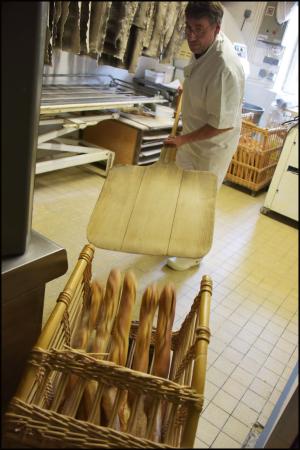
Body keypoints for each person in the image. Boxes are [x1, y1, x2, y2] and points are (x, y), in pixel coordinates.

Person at [164, 1, 245, 271]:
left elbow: (223, 124)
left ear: (217, 28)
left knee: (201, 200)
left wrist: (183, 140)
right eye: (188, 28)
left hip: (213, 146)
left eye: (199, 30)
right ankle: (177, 240)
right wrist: (187, 87)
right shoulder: (202, 44)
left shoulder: (226, 67)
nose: (191, 37)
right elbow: (199, 72)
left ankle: (193, 253)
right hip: (194, 133)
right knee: (183, 193)